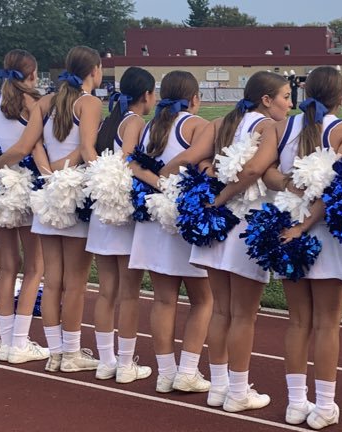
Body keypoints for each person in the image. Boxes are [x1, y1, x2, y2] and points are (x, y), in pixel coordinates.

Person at [183, 70, 292, 412]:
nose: (290, 105)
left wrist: (212, 183)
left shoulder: (225, 122)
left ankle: (219, 387)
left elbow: (198, 160)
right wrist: (221, 197)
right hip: (245, 224)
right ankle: (239, 392)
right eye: (286, 97)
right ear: (266, 99)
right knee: (244, 315)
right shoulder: (268, 127)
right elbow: (254, 171)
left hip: (216, 226)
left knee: (222, 310)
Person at [273, 66, 342, 431]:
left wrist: (290, 190)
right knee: (327, 325)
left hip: (287, 229)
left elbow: (265, 172)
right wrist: (305, 222)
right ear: (341, 96)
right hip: (324, 235)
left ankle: (296, 403)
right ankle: (324, 406)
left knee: (297, 322)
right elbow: (335, 191)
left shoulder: (282, 127)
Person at [126, 70, 215, 393]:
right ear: (194, 98)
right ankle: (187, 371)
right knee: (203, 300)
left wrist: (158, 184)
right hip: (183, 220)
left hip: (153, 218)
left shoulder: (150, 126)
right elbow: (204, 166)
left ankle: (166, 373)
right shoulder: (197, 125)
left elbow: (133, 165)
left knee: (163, 300)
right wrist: (172, 186)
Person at [35, 46, 103, 373]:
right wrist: (107, 179)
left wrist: (47, 173)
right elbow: (86, 148)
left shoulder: (45, 101)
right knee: (75, 281)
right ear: (94, 71)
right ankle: (72, 353)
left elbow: (33, 144)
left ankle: (55, 353)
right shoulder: (89, 103)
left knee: (52, 280)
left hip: (48, 194)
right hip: (74, 193)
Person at [0, 49, 49, 365]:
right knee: (35, 267)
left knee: (8, 265)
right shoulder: (33, 103)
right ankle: (19, 342)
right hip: (24, 186)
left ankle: (7, 341)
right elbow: (26, 147)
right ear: (32, 74)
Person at [88, 67, 156, 383]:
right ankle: (125, 364)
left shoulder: (109, 121)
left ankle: (106, 362)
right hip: (122, 213)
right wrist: (159, 181)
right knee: (129, 293)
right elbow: (128, 160)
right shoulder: (135, 122)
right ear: (147, 95)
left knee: (106, 292)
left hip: (103, 212)